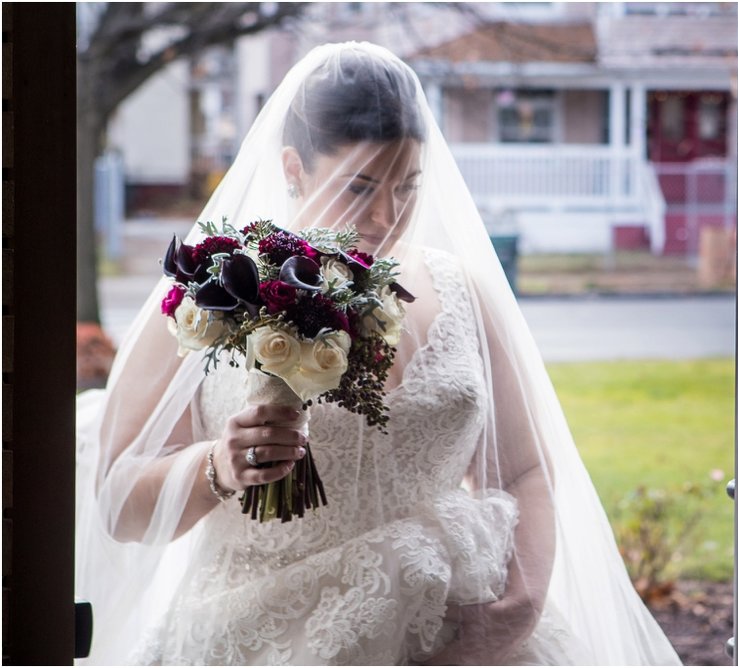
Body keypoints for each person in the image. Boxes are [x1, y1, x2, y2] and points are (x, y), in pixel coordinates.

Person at [76, 42, 682, 665]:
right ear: (294, 169)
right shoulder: (209, 297)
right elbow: (118, 504)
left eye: (408, 186)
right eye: (360, 186)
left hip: (461, 632)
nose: (387, 215)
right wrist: (219, 467)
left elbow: (526, 470)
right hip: (267, 635)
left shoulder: (462, 294)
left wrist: (519, 606)